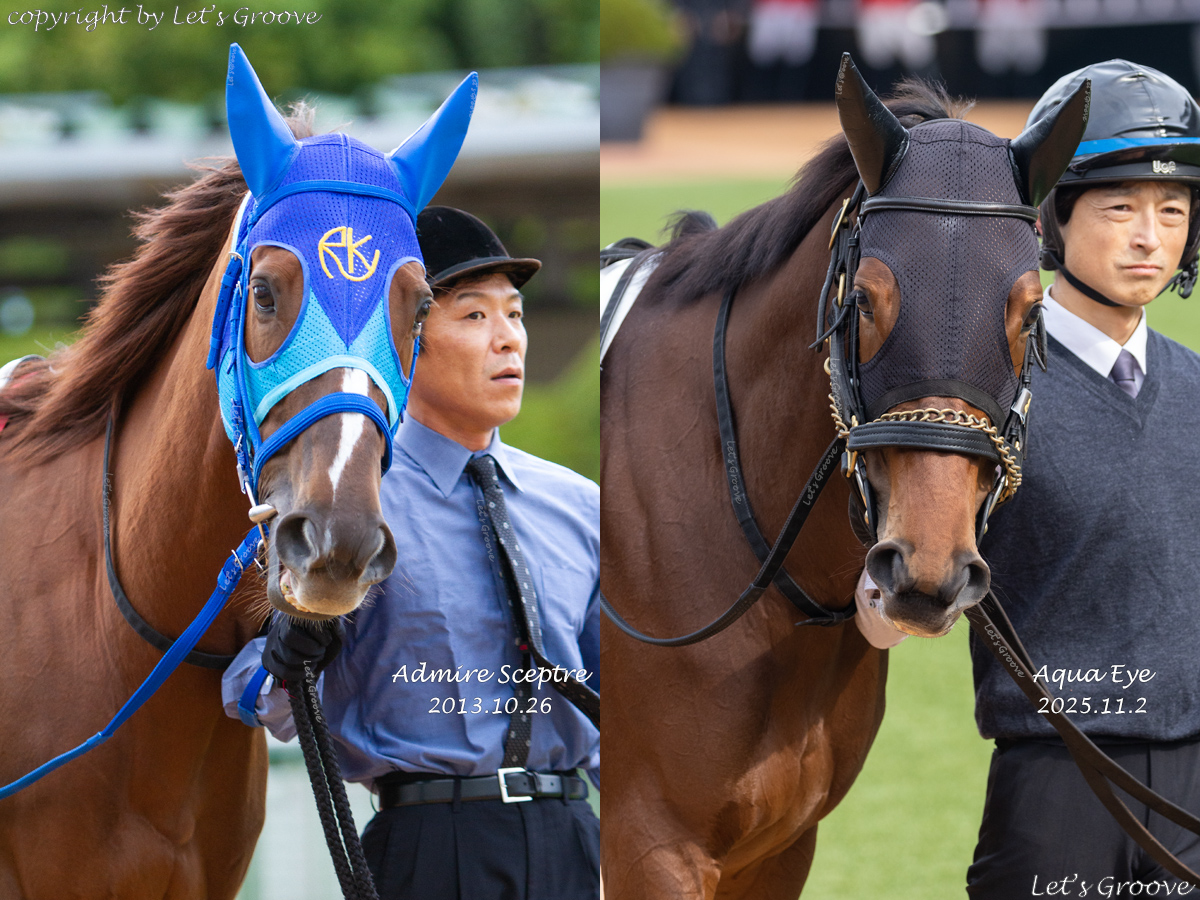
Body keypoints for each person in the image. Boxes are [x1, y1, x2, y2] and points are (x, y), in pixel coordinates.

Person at [222, 206, 600, 900]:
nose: (509, 340)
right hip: (428, 844)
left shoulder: (582, 507)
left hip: (574, 835)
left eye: (513, 315)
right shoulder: (346, 512)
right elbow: (254, 696)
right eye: (475, 317)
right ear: (405, 339)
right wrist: (284, 650)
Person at [965, 60, 1200, 897]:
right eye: (1120, 208)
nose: (1149, 237)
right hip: (1053, 780)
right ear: (1054, 218)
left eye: (1172, 211)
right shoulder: (987, 391)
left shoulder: (1199, 385)